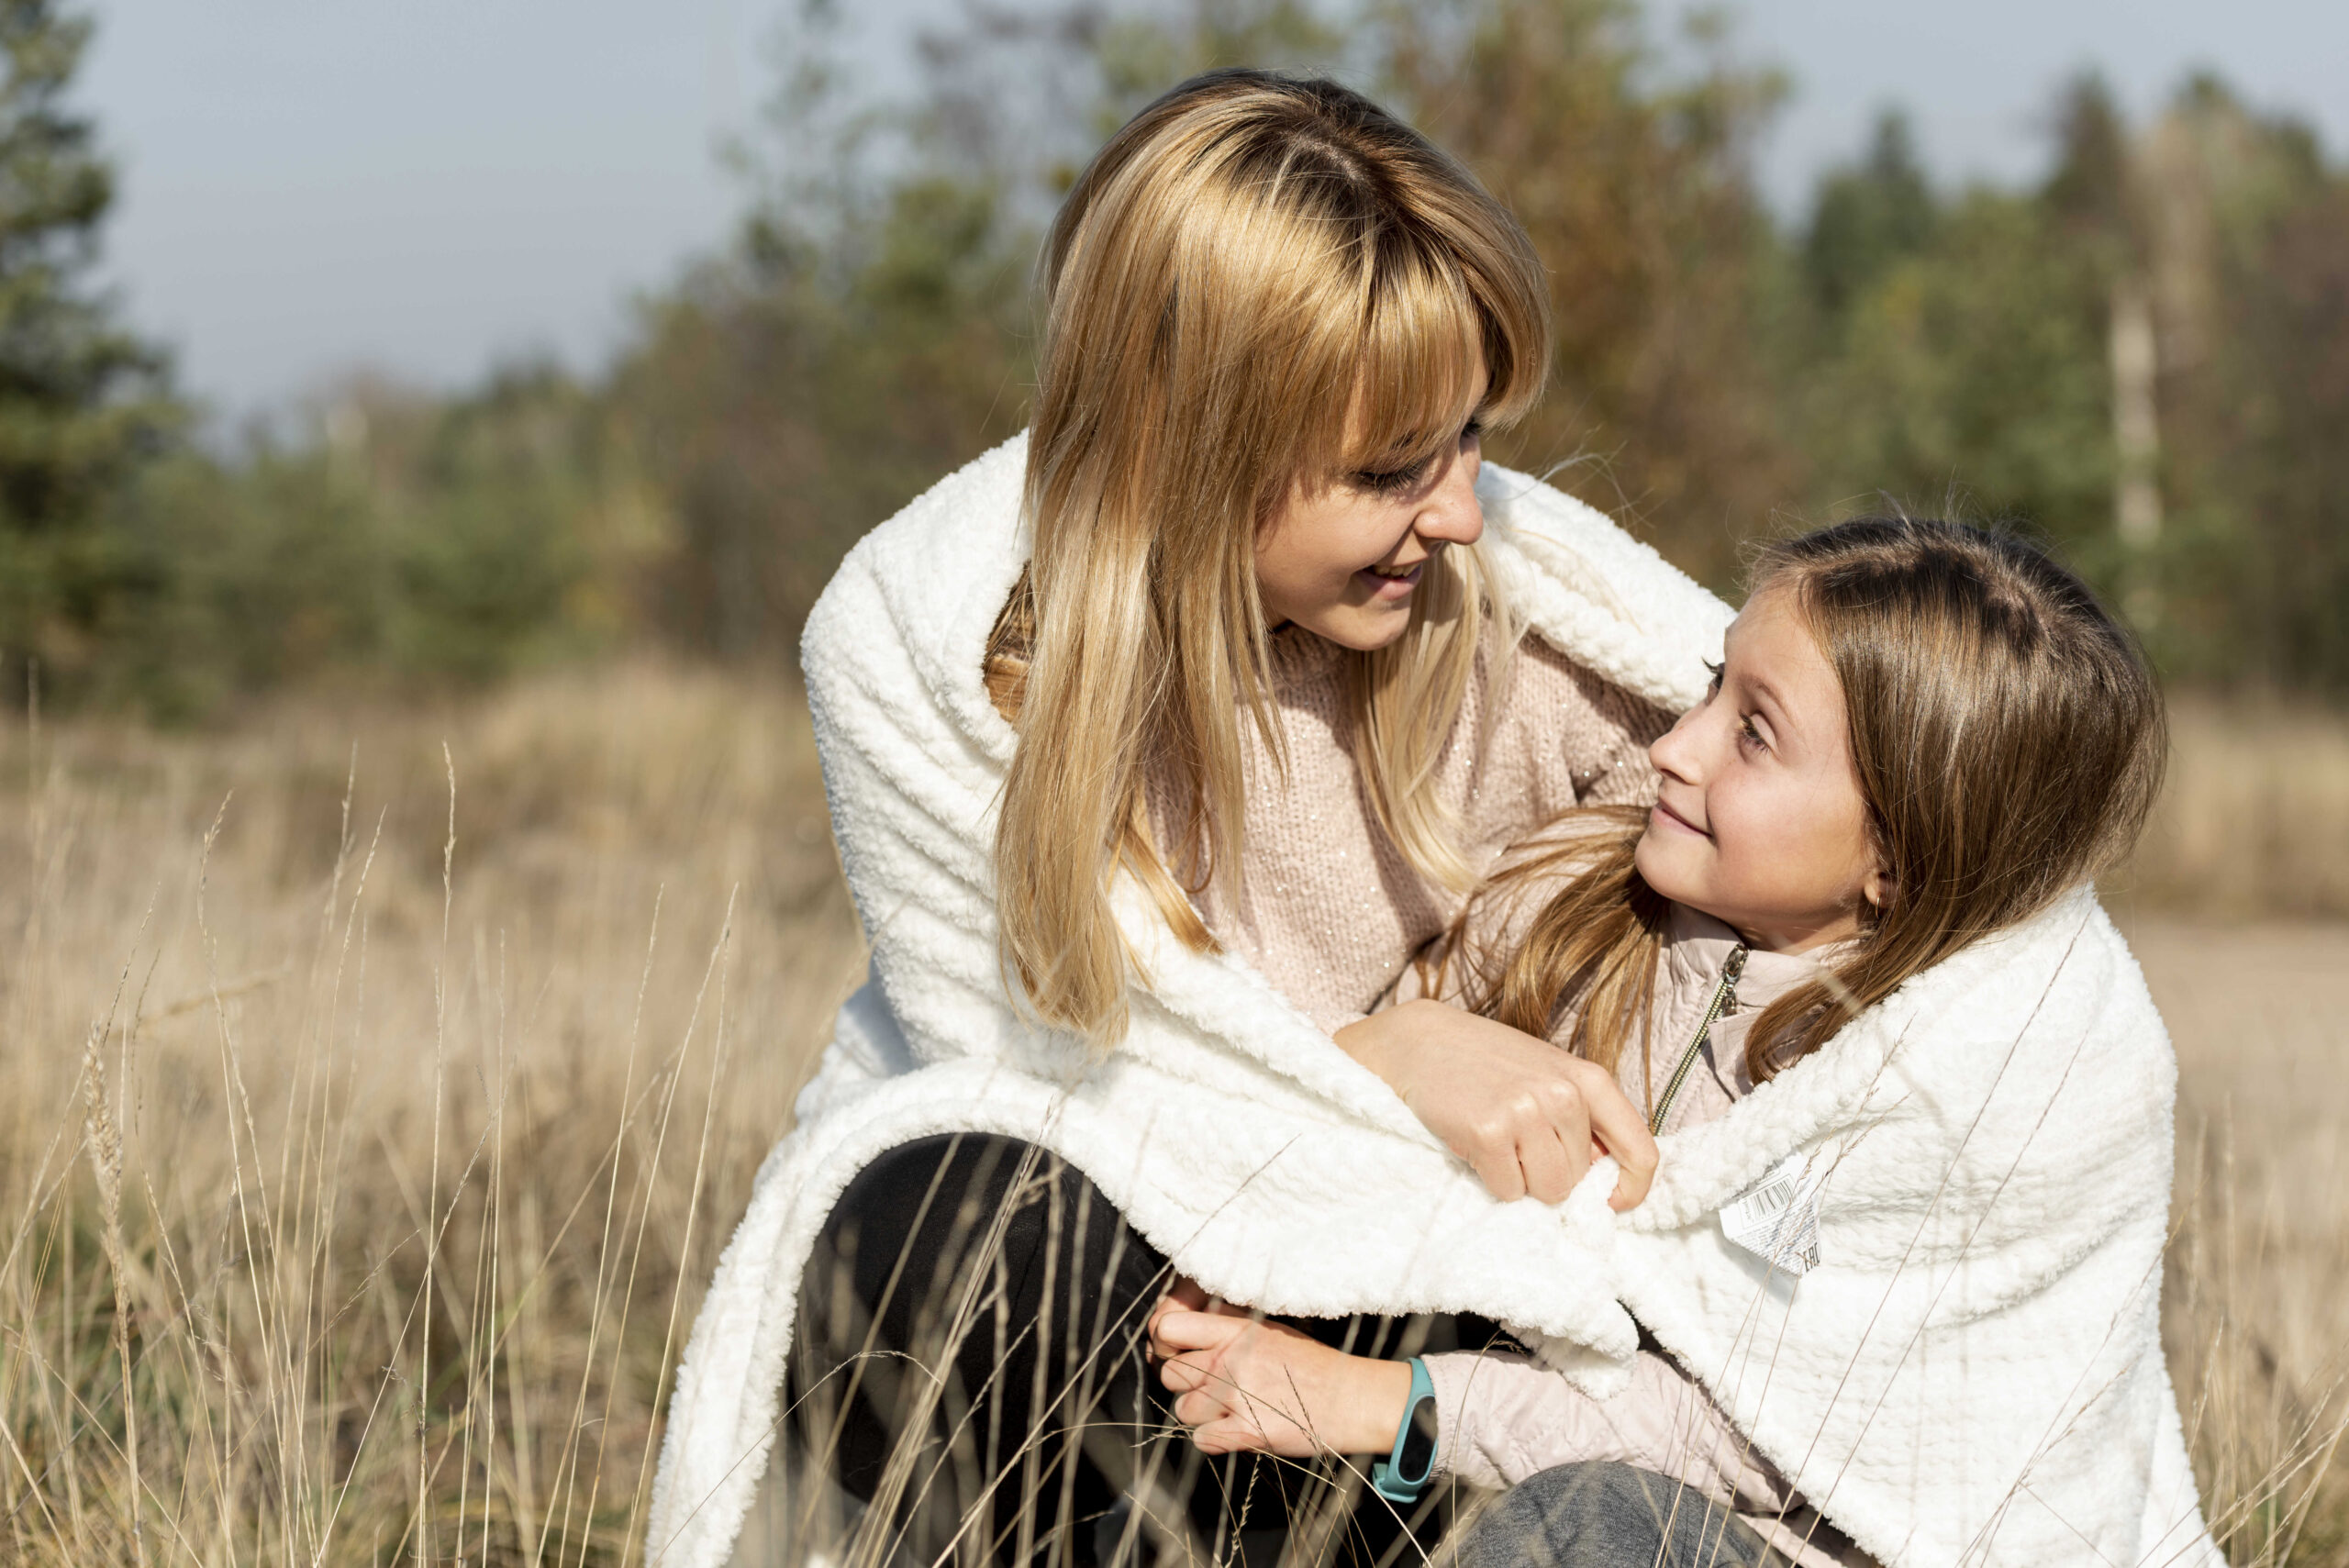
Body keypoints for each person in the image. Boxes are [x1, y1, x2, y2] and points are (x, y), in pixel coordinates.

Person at [649, 66, 1732, 1568]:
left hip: (1398, 1356)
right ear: (1192, 440)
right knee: (964, 1219)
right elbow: (1055, 1080)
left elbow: (1777, 934)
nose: (1467, 513)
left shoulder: (1523, 642)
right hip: (1111, 1326)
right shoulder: (959, 680)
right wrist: (1378, 1060)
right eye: (1387, 468)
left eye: (1473, 437)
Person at [1150, 517, 2194, 1566]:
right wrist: (1270, 1245)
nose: (1672, 745)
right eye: (1711, 685)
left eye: (1754, 733)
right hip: (1456, 1474)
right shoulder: (1570, 900)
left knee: (1587, 1531)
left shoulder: (1947, 1095)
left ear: (1896, 849)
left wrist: (1393, 1399)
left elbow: (1770, 1442)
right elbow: (1361, 1121)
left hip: (1749, 1540)